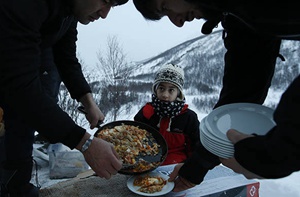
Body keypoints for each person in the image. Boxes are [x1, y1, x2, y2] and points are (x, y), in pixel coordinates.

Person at [132, 0, 300, 192]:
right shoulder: (238, 16)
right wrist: (195, 168)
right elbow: (243, 88)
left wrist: (288, 142)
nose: (176, 22)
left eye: (164, 7)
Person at [0, 0, 128, 196]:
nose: (104, 14)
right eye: (105, 1)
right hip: (12, 67)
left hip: (28, 66)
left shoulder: (70, 10)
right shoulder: (27, 5)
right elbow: (22, 88)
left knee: (26, 121)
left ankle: (16, 185)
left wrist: (88, 101)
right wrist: (85, 143)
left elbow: (66, 57)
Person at [134, 63, 200, 165]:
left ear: (178, 93)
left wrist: (191, 166)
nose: (165, 95)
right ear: (155, 90)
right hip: (147, 163)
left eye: (171, 90)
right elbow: (134, 139)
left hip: (177, 166)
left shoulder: (188, 117)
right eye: (161, 88)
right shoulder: (146, 112)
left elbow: (196, 145)